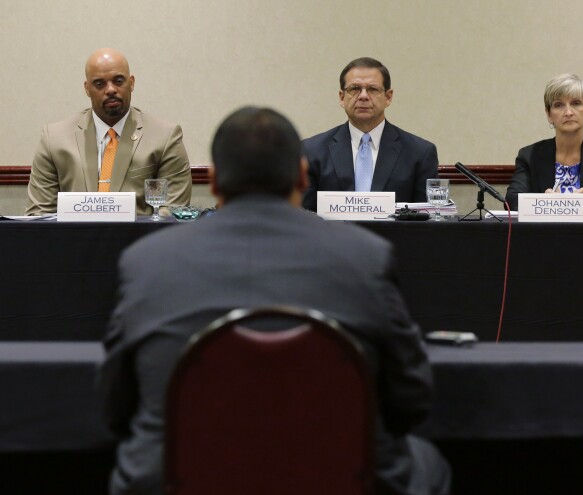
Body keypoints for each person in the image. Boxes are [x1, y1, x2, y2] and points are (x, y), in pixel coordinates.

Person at [97, 107, 450, 495]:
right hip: (338, 474)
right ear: (302, 176)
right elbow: (411, 399)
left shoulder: (146, 262)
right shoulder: (367, 256)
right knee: (428, 462)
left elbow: (114, 405)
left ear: (214, 182)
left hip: (175, 477)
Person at [26, 48, 191, 216]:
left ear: (132, 83)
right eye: (99, 84)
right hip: (74, 240)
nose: (111, 90)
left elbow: (172, 213)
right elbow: (40, 214)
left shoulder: (165, 137)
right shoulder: (54, 139)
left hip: (138, 240)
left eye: (118, 81)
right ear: (87, 88)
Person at [302, 57, 438, 211]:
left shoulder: (419, 153)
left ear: (388, 97)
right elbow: (303, 218)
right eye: (354, 89)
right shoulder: (312, 151)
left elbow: (427, 223)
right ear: (342, 98)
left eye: (373, 89)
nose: (363, 96)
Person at [505, 73, 583, 213]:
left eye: (576, 103)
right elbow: (512, 200)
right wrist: (544, 202)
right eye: (559, 105)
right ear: (549, 115)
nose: (568, 112)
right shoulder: (529, 155)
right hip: (545, 233)